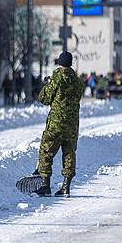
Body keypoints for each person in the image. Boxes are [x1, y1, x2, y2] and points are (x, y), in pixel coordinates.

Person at [34, 51, 84, 197]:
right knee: (69, 153)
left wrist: (46, 85)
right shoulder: (77, 81)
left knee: (46, 151)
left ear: (60, 63)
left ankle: (45, 185)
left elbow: (44, 98)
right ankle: (65, 187)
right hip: (72, 124)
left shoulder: (56, 78)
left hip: (56, 123)